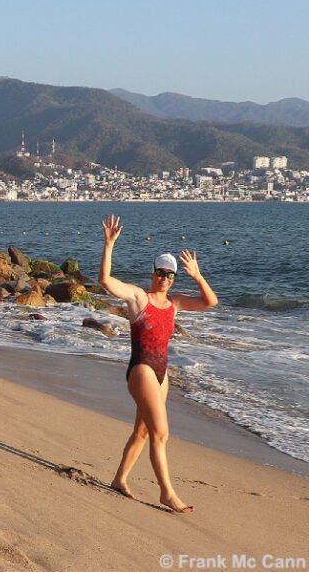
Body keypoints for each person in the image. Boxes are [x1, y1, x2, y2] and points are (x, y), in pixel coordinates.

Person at [98, 215, 218, 513]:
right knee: (161, 433)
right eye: (160, 272)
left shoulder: (175, 303)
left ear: (174, 278)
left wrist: (198, 276)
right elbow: (106, 281)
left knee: (143, 431)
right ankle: (167, 492)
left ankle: (119, 479)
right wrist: (109, 245)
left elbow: (210, 302)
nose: (164, 278)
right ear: (153, 273)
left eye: (169, 274)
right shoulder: (140, 298)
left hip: (162, 372)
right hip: (141, 368)